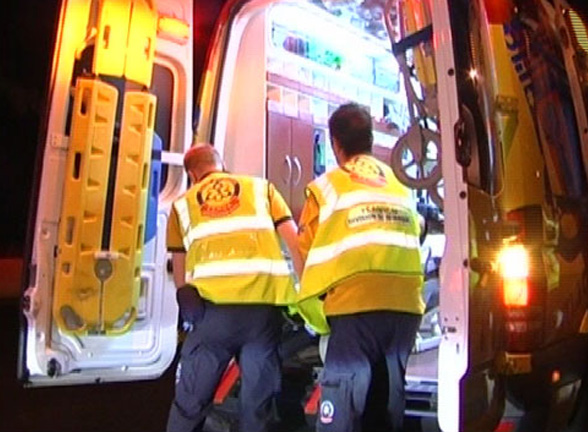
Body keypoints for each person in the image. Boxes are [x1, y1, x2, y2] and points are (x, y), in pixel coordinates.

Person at [296, 103, 424, 432]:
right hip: (405, 308)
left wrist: (316, 315)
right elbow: (416, 232)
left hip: (355, 308)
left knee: (343, 404)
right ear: (370, 140)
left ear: (335, 143)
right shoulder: (399, 185)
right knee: (385, 403)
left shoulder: (327, 188)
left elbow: (305, 254)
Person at [165, 143, 303, 432]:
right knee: (257, 409)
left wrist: (185, 298)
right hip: (262, 315)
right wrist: (307, 296)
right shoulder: (262, 189)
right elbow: (296, 243)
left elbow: (180, 271)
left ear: (192, 175)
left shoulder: (182, 205)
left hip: (213, 317)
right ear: (222, 165)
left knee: (190, 405)